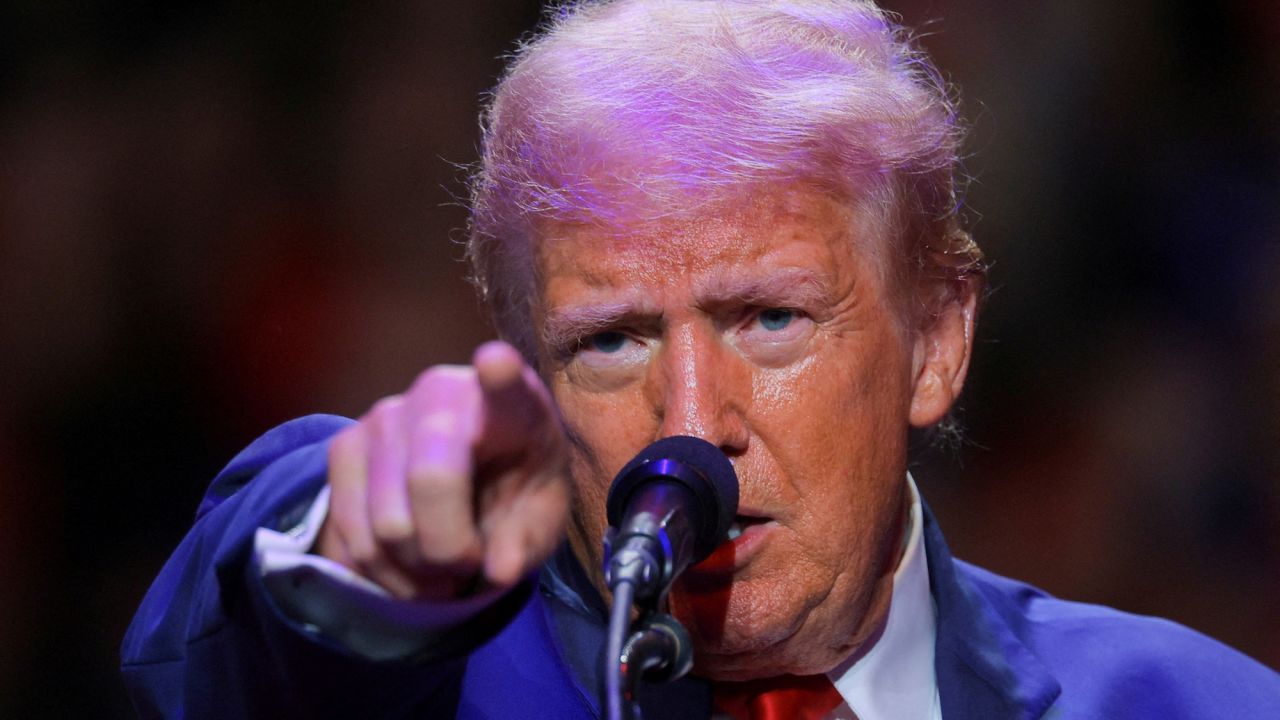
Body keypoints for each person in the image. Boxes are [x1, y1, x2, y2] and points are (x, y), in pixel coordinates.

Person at [121, 1, 1280, 718]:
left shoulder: (1190, 706)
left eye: (768, 320)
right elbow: (235, 629)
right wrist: (365, 570)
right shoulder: (430, 689)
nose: (689, 423)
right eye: (610, 341)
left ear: (935, 336)